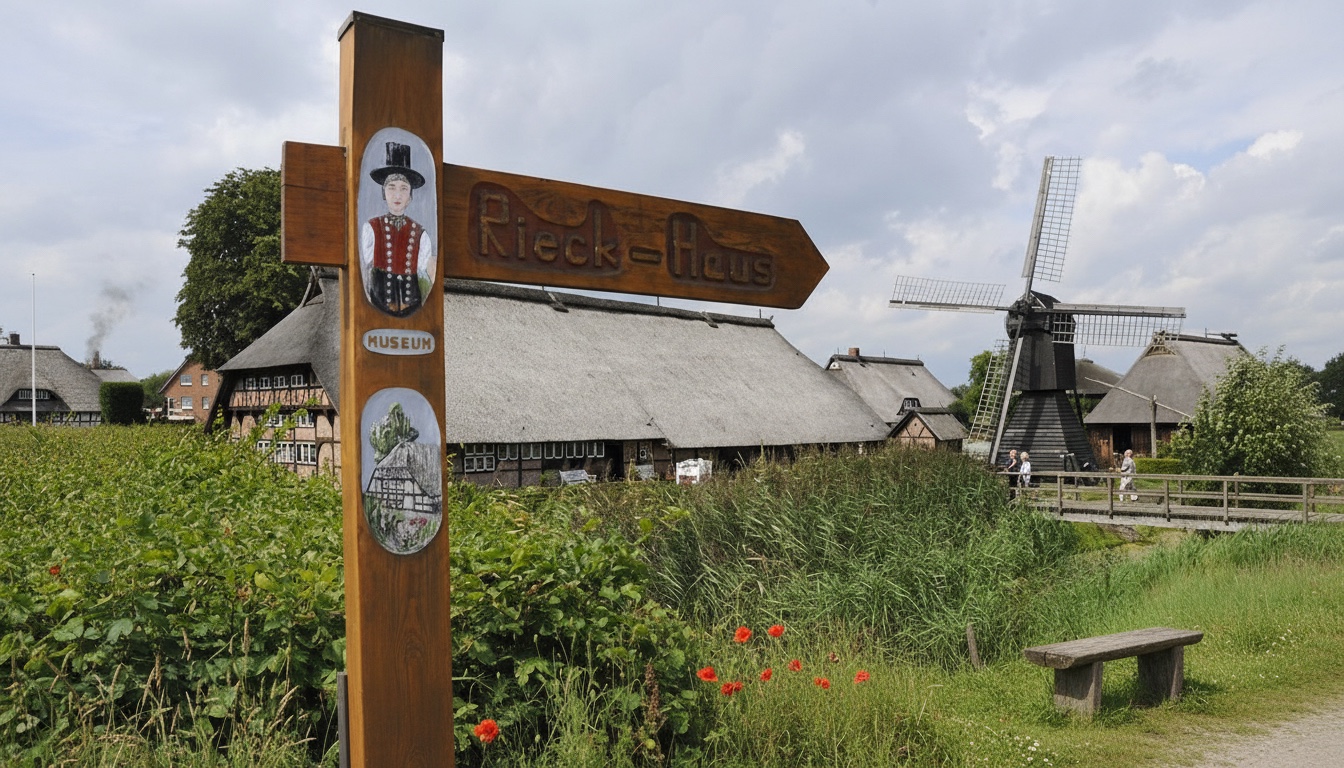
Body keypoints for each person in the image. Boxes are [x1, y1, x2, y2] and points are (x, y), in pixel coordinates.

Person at [361, 141, 435, 317]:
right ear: (383, 193)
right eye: (391, 188)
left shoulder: (420, 233)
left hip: (412, 302)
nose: (397, 195)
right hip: (379, 300)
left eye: (403, 189)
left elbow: (425, 268)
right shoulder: (371, 228)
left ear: (410, 196)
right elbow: (365, 265)